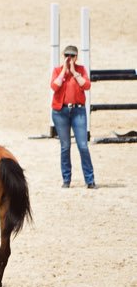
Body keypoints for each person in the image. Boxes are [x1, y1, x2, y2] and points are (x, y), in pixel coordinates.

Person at [50, 45, 96, 189]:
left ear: (76, 57)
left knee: (83, 146)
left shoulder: (81, 70)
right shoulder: (57, 71)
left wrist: (74, 72)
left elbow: (86, 85)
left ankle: (90, 180)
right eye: (67, 55)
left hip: (78, 111)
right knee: (65, 146)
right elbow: (54, 86)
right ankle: (66, 179)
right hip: (60, 112)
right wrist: (64, 71)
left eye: (72, 56)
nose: (69, 58)